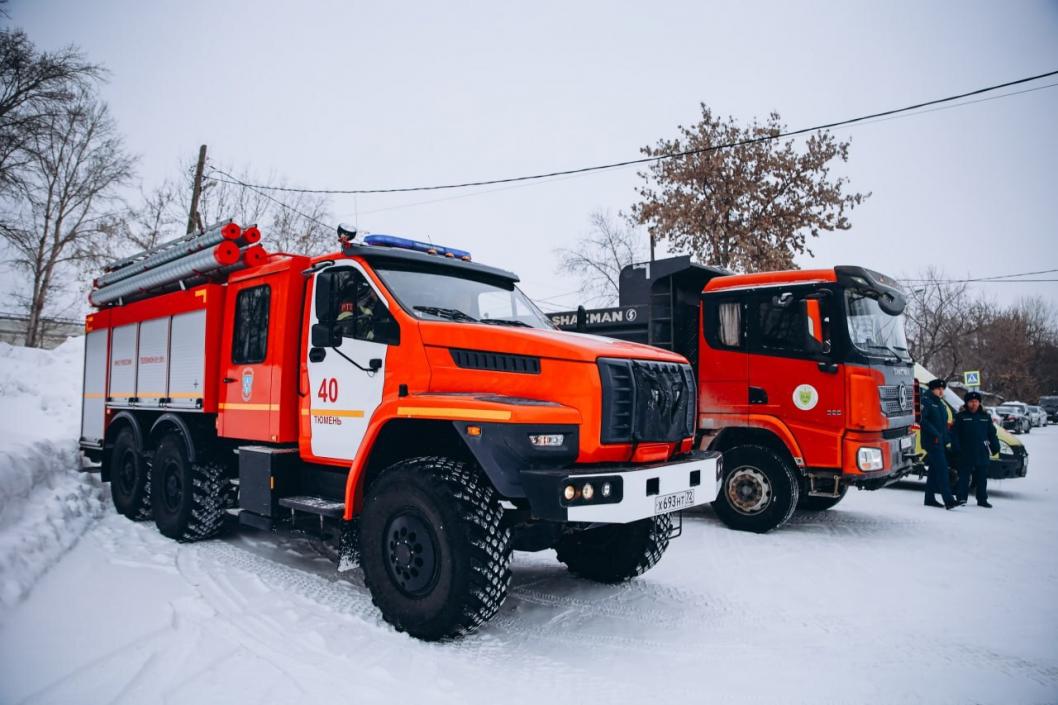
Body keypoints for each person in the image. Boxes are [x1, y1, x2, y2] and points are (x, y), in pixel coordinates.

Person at [951, 391, 999, 508]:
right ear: (967, 403)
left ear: (979, 403)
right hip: (965, 452)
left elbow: (992, 433)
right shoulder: (960, 416)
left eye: (976, 401)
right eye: (971, 401)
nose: (974, 404)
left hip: (982, 451)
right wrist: (956, 447)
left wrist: (995, 446)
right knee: (964, 477)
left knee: (982, 477)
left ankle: (982, 499)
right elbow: (954, 434)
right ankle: (961, 498)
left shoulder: (985, 416)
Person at [921, 378, 958, 510]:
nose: (941, 391)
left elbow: (942, 424)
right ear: (932, 389)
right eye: (938, 389)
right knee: (942, 470)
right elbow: (923, 420)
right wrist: (936, 434)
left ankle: (929, 499)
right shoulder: (926, 401)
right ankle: (949, 500)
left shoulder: (940, 403)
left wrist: (946, 437)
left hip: (940, 442)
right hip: (932, 441)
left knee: (934, 471)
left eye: (943, 389)